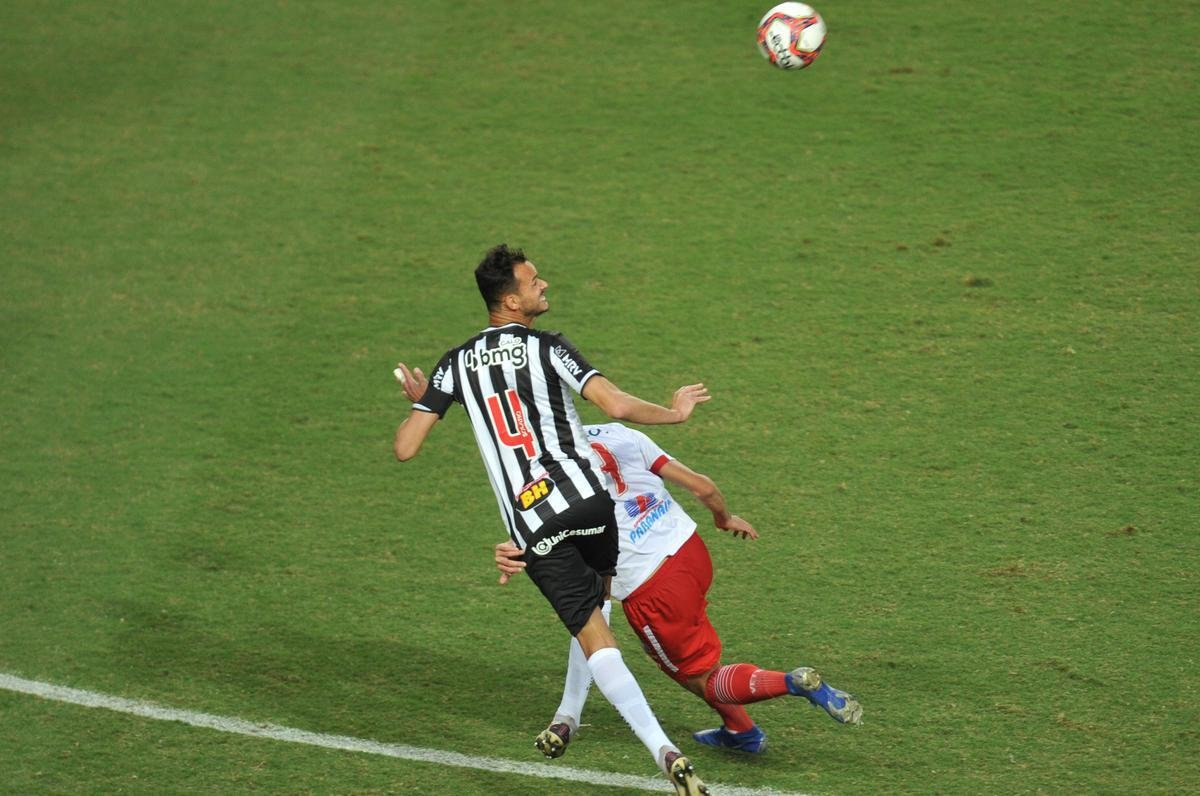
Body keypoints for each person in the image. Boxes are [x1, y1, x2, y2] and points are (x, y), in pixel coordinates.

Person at [393, 244, 710, 795]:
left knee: (593, 632)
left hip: (536, 523)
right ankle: (568, 715)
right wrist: (675, 414)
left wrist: (430, 402)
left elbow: (405, 448)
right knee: (597, 606)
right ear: (511, 300)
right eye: (534, 281)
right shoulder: (548, 348)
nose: (544, 285)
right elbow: (614, 406)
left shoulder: (454, 365)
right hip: (592, 504)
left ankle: (664, 751)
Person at [494, 422, 862, 758]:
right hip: (690, 550)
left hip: (652, 586)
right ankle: (741, 730)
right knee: (691, 650)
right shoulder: (617, 432)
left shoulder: (547, 474)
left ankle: (791, 682)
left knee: (700, 677)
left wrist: (513, 549)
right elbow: (702, 486)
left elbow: (545, 533)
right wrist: (724, 517)